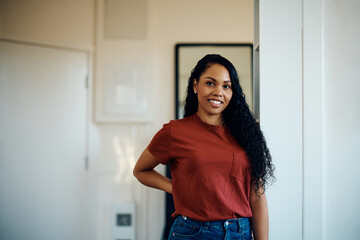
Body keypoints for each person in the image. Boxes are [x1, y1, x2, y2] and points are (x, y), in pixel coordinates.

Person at [133, 54, 275, 240]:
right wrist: (176, 188)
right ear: (195, 85)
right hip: (192, 232)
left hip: (239, 233)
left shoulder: (248, 134)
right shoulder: (175, 131)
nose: (218, 92)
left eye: (226, 86)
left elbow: (257, 196)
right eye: (210, 83)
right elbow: (141, 171)